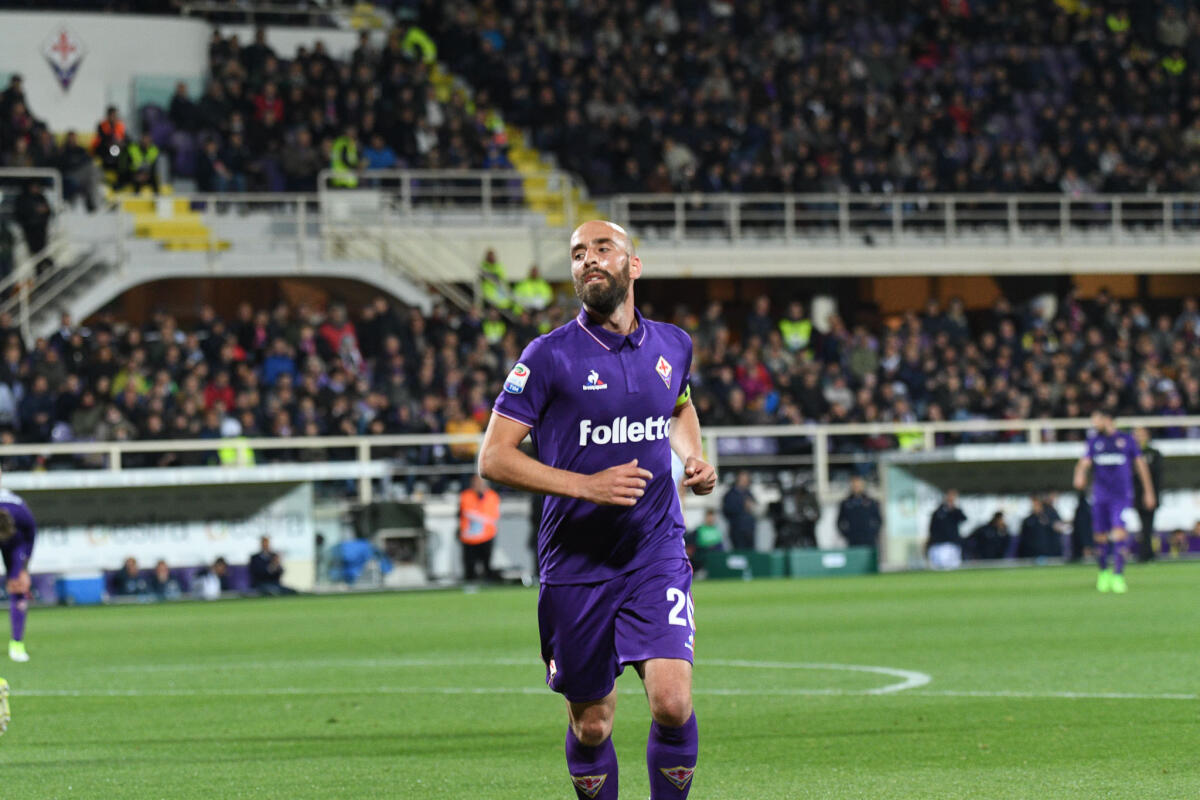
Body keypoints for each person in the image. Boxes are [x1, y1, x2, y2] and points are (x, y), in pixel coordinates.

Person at [478, 220, 716, 800]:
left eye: (603, 249)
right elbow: (494, 458)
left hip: (654, 549)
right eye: (578, 252)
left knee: (672, 702)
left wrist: (692, 456)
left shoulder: (673, 344)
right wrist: (586, 486)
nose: (588, 259)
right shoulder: (548, 356)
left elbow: (679, 405)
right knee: (593, 725)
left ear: (633, 265)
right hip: (576, 562)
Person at [1073, 410, 1155, 593]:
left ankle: (1118, 575)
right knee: (1100, 536)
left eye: (1096, 420)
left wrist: (1148, 491)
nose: (1094, 424)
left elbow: (1141, 466)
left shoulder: (1126, 440)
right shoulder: (1095, 441)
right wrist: (1079, 474)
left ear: (1107, 420)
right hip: (1100, 496)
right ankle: (1103, 572)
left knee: (1119, 532)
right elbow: (1085, 461)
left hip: (1121, 496)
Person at [0, 478, 36, 662]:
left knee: (18, 587)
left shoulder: (21, 513)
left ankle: (17, 644)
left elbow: (31, 536)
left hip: (16, 544)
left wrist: (24, 569)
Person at [458, 474, 500, 582]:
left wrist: (477, 516)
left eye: (481, 483)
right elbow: (467, 512)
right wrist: (482, 517)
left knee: (487, 565)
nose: (479, 485)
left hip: (487, 536)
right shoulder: (466, 495)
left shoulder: (492, 496)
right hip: (469, 538)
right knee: (469, 567)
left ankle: (488, 583)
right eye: (477, 483)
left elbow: (493, 517)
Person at [1132, 427, 1163, 562]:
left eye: (1141, 434)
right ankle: (1146, 553)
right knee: (1143, 525)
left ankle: (1147, 553)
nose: (1139, 437)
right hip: (1137, 494)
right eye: (1136, 435)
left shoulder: (1154, 453)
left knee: (1148, 525)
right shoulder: (1131, 453)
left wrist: (1151, 493)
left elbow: (1157, 475)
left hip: (1151, 493)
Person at [836, 476, 882, 549]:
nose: (857, 487)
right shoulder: (846, 503)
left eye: (859, 485)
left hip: (868, 539)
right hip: (853, 539)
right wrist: (846, 534)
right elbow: (840, 521)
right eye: (855, 485)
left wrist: (873, 532)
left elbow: (878, 520)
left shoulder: (871, 502)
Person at [926, 489, 967, 569]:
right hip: (940, 543)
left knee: (954, 566)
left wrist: (953, 508)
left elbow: (963, 518)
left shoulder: (956, 511)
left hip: (953, 543)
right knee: (940, 566)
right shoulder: (939, 512)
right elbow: (932, 528)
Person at [722, 469, 758, 550]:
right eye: (743, 479)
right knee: (740, 553)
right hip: (737, 530)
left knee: (750, 553)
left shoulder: (748, 493)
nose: (745, 482)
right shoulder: (730, 494)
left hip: (749, 529)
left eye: (747, 480)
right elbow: (727, 511)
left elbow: (755, 505)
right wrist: (742, 506)